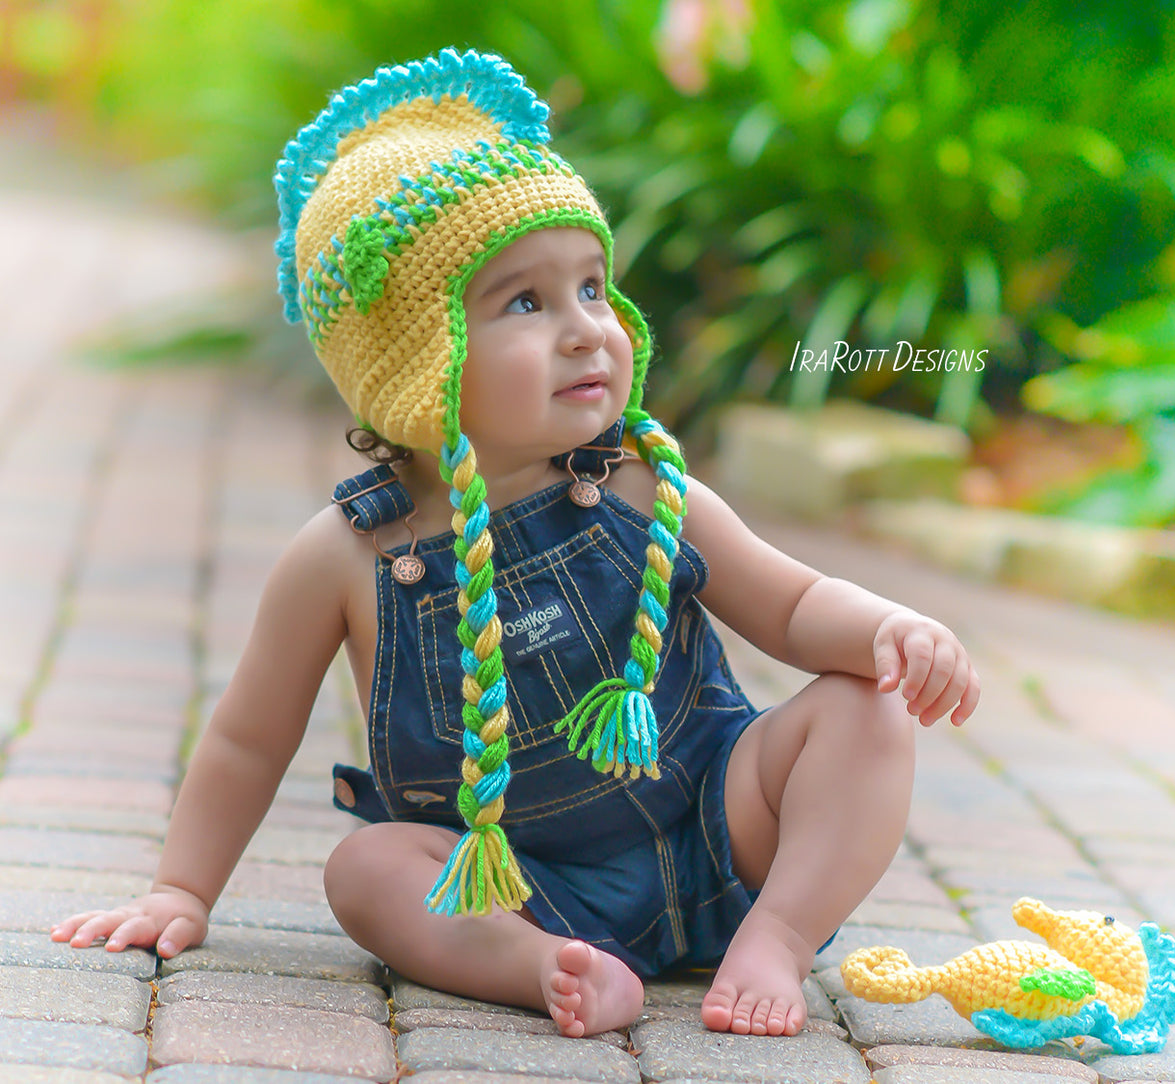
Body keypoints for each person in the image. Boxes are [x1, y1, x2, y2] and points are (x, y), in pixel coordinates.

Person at [50, 48, 980, 1040]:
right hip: (517, 882)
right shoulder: (347, 556)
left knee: (867, 709)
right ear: (417, 366)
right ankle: (547, 967)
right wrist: (182, 887)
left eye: (590, 287)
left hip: (723, 831)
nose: (587, 330)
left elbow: (791, 607)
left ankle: (778, 938)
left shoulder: (642, 484)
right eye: (525, 304)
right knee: (364, 870)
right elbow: (247, 735)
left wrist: (890, 627)